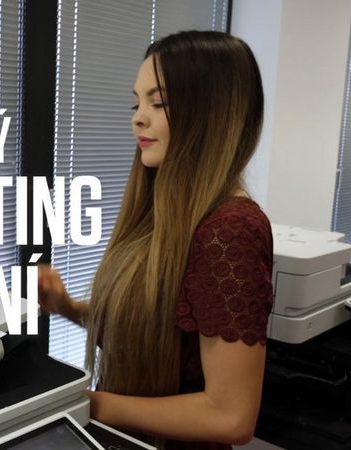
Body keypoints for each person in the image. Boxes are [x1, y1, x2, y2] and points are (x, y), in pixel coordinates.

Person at [38, 30, 271, 450]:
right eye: (136, 103)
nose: (138, 118)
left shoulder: (230, 230)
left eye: (158, 103)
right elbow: (150, 332)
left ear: (212, 112)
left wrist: (82, 405)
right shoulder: (164, 214)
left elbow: (230, 415)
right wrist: (67, 307)